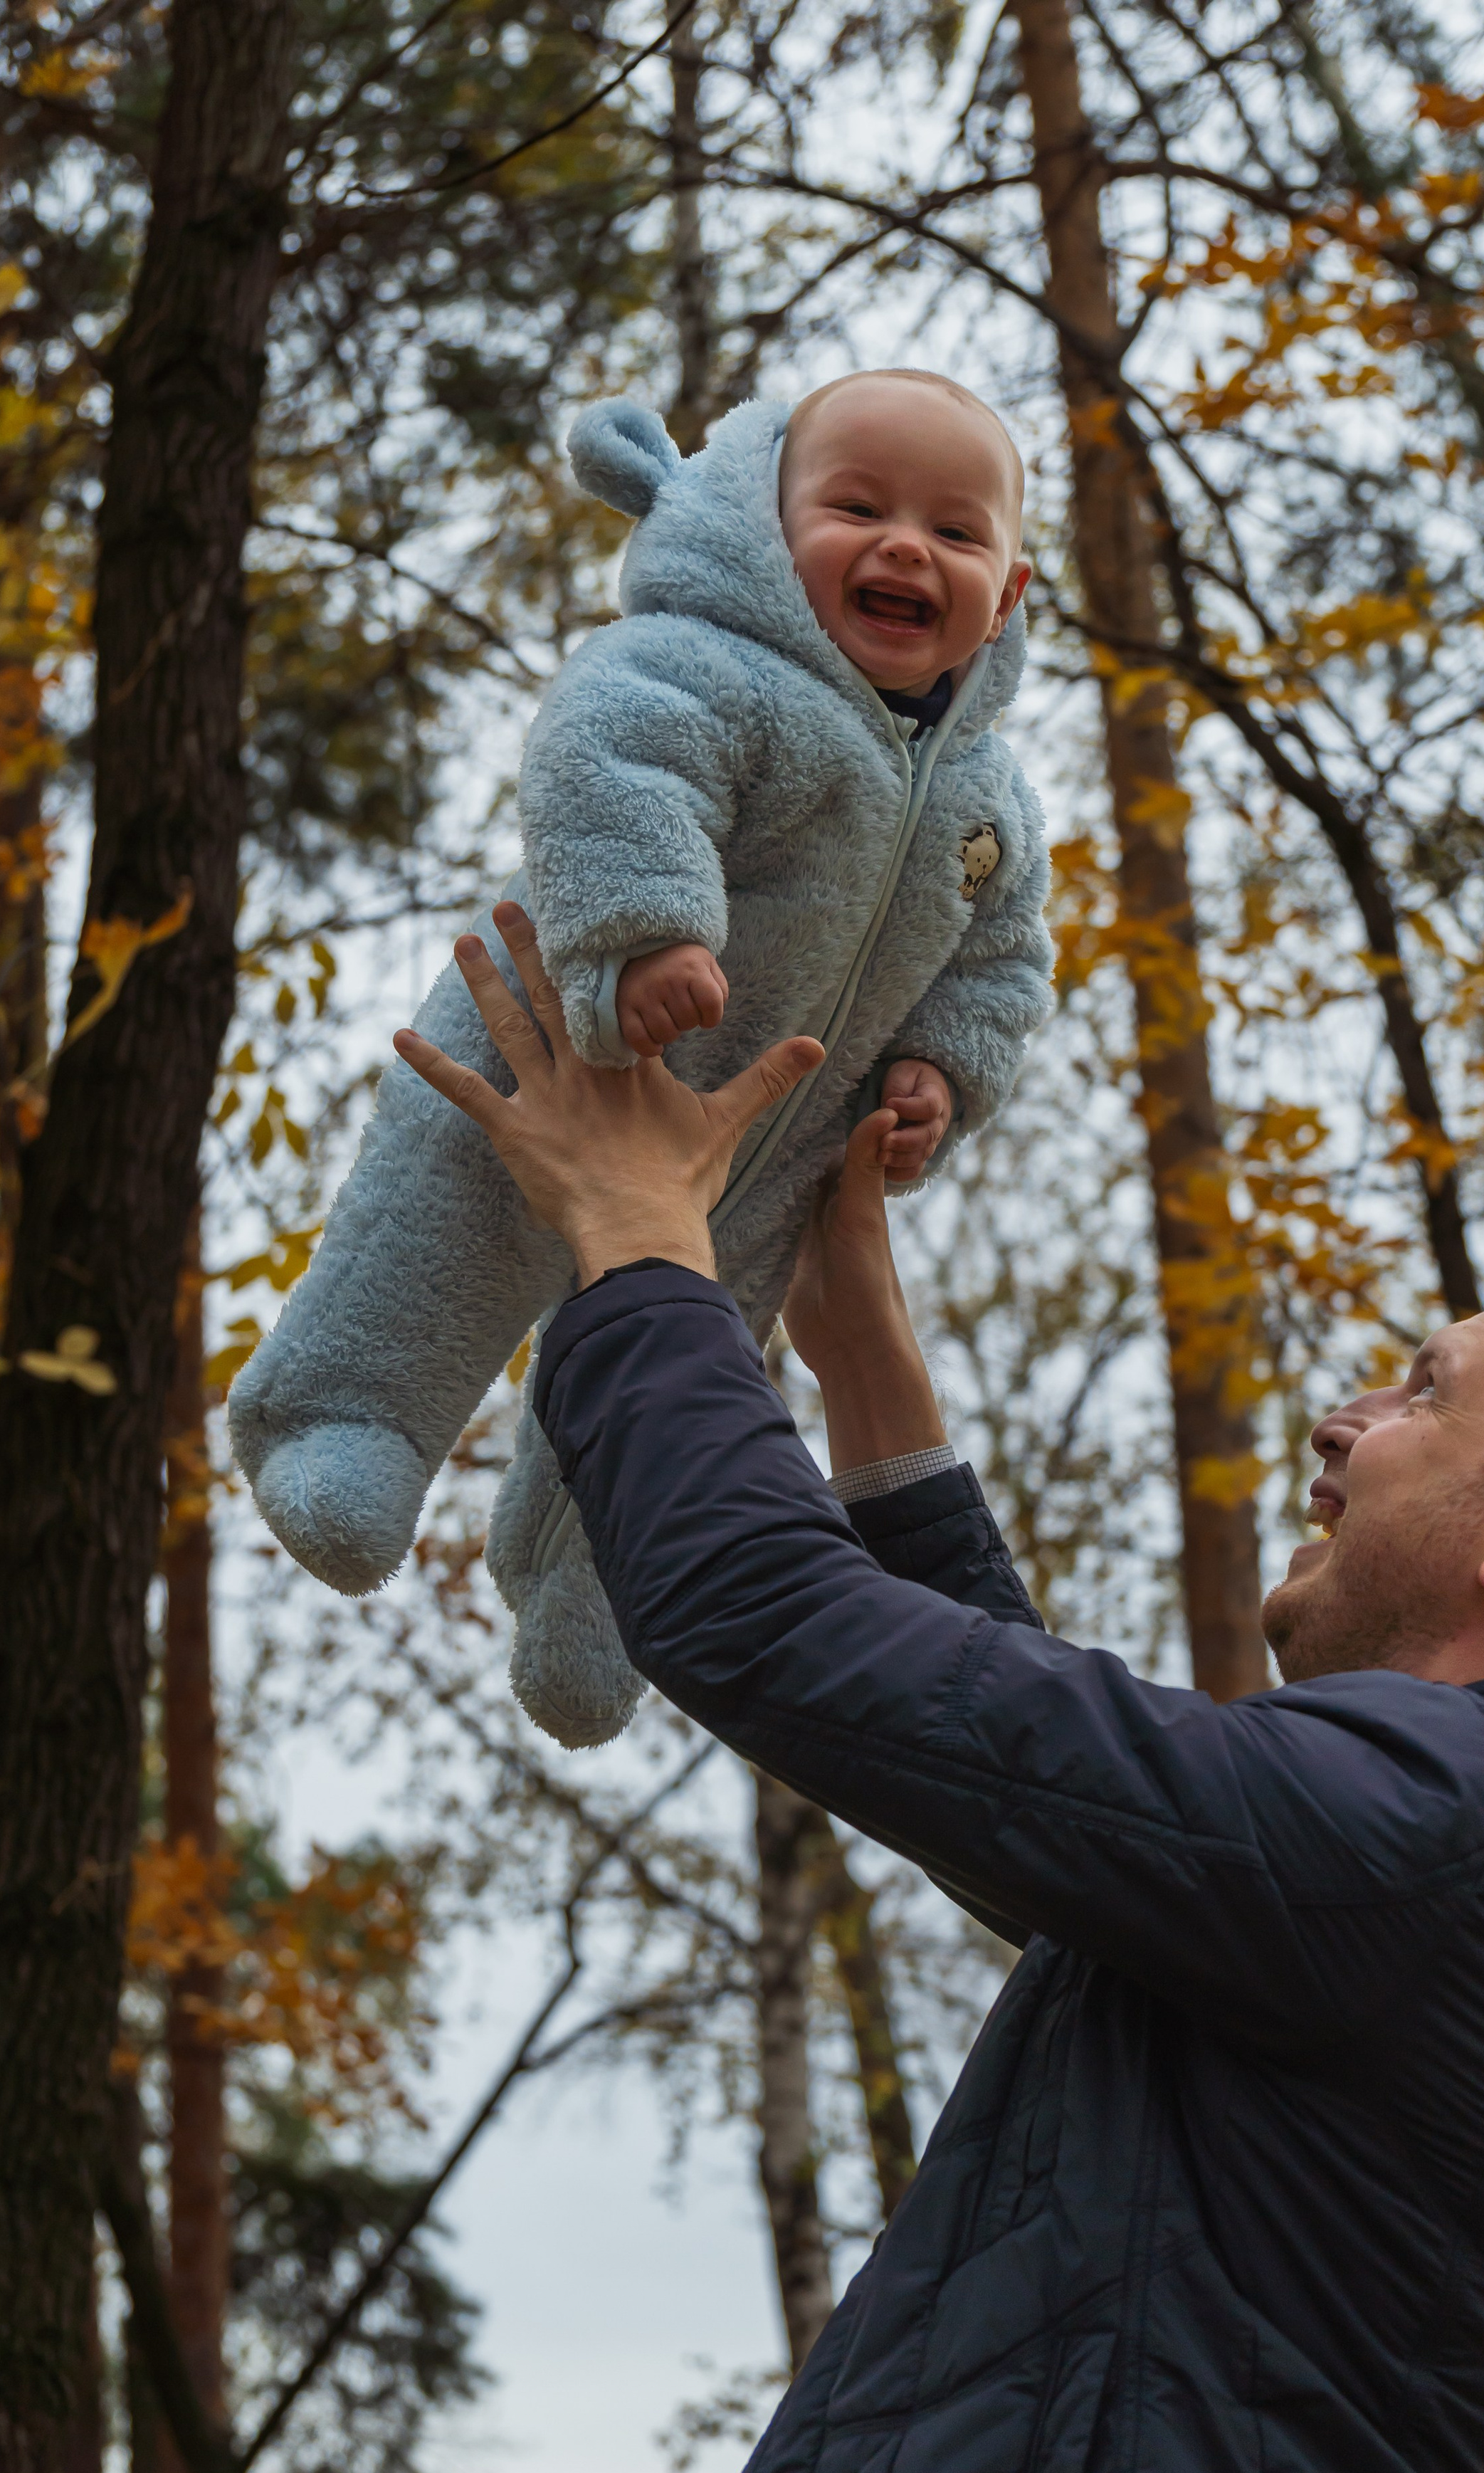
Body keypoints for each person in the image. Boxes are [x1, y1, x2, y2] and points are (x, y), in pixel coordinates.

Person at [396, 914, 1484, 2473]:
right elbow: (1051, 1791)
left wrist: (638, 1241)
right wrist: (863, 1356)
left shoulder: (1465, 1834)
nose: (1344, 1419)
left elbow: (777, 1626)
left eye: (1423, 1396)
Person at [230, 370, 1052, 1750]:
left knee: (694, 1363)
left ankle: (592, 1578)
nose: (907, 546)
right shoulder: (703, 666)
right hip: (556, 1052)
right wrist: (647, 931)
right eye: (855, 508)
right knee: (437, 1241)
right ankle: (345, 1416)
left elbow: (1001, 962)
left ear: (1009, 593)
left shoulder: (991, 801)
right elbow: (610, 763)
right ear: (754, 526)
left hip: (757, 1147)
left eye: (955, 534)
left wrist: (940, 1075)